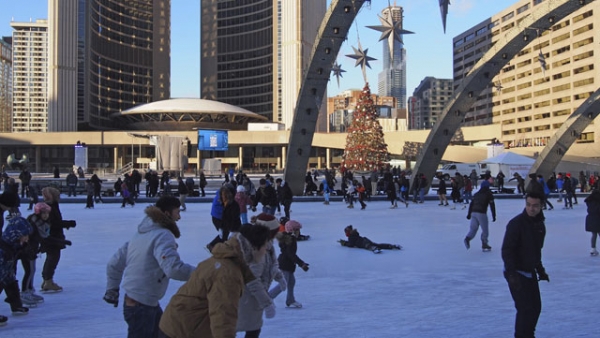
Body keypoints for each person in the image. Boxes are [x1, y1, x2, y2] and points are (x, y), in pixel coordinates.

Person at [104, 196, 195, 338]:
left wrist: (112, 288)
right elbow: (172, 268)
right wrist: (200, 273)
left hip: (138, 302)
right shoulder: (162, 235)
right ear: (167, 213)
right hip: (142, 306)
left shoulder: (140, 234)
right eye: (177, 212)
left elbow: (114, 263)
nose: (179, 217)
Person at [158, 223, 271, 338]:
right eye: (265, 246)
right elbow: (223, 317)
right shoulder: (227, 273)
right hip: (182, 331)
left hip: (179, 326)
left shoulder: (228, 261)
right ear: (253, 248)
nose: (266, 251)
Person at [501, 192, 549, 338]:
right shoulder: (517, 223)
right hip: (516, 272)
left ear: (541, 206)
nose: (531, 208)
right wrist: (511, 273)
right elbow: (507, 249)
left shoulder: (539, 225)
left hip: (530, 271)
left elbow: (536, 251)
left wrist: (540, 270)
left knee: (536, 308)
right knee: (525, 309)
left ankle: (528, 334)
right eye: (528, 205)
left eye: (535, 206)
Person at [236, 213, 283, 337]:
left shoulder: (265, 244)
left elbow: (269, 266)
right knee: (249, 330)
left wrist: (279, 276)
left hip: (252, 300)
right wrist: (267, 303)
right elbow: (251, 280)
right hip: (246, 299)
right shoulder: (257, 251)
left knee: (251, 329)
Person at [40, 187, 75, 292]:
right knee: (52, 258)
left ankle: (47, 280)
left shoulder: (51, 206)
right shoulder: (49, 208)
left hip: (53, 236)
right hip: (52, 237)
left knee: (52, 258)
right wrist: (68, 223)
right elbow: (53, 223)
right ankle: (48, 281)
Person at [0, 216, 33, 324]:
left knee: (11, 282)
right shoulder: (3, 249)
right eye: (24, 235)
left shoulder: (13, 245)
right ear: (16, 235)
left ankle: (16, 306)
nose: (27, 238)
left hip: (6, 271)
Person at [273, 219, 309, 309]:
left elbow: (290, 254)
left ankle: (290, 300)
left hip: (286, 264)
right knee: (283, 284)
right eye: (297, 230)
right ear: (293, 230)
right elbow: (290, 254)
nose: (299, 232)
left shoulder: (288, 238)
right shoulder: (291, 239)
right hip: (285, 264)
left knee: (291, 282)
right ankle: (268, 298)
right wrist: (301, 264)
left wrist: (301, 263)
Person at [464, 176, 496, 252]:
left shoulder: (476, 194)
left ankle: (467, 238)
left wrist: (469, 214)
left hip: (473, 213)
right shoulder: (488, 194)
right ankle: (484, 243)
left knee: (473, 228)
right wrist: (494, 215)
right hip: (481, 213)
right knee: (485, 230)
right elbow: (492, 205)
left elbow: (471, 204)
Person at [585, 189, 600, 256]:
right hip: (598, 219)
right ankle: (593, 249)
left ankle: (593, 249)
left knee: (594, 234)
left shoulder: (589, 201)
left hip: (591, 219)